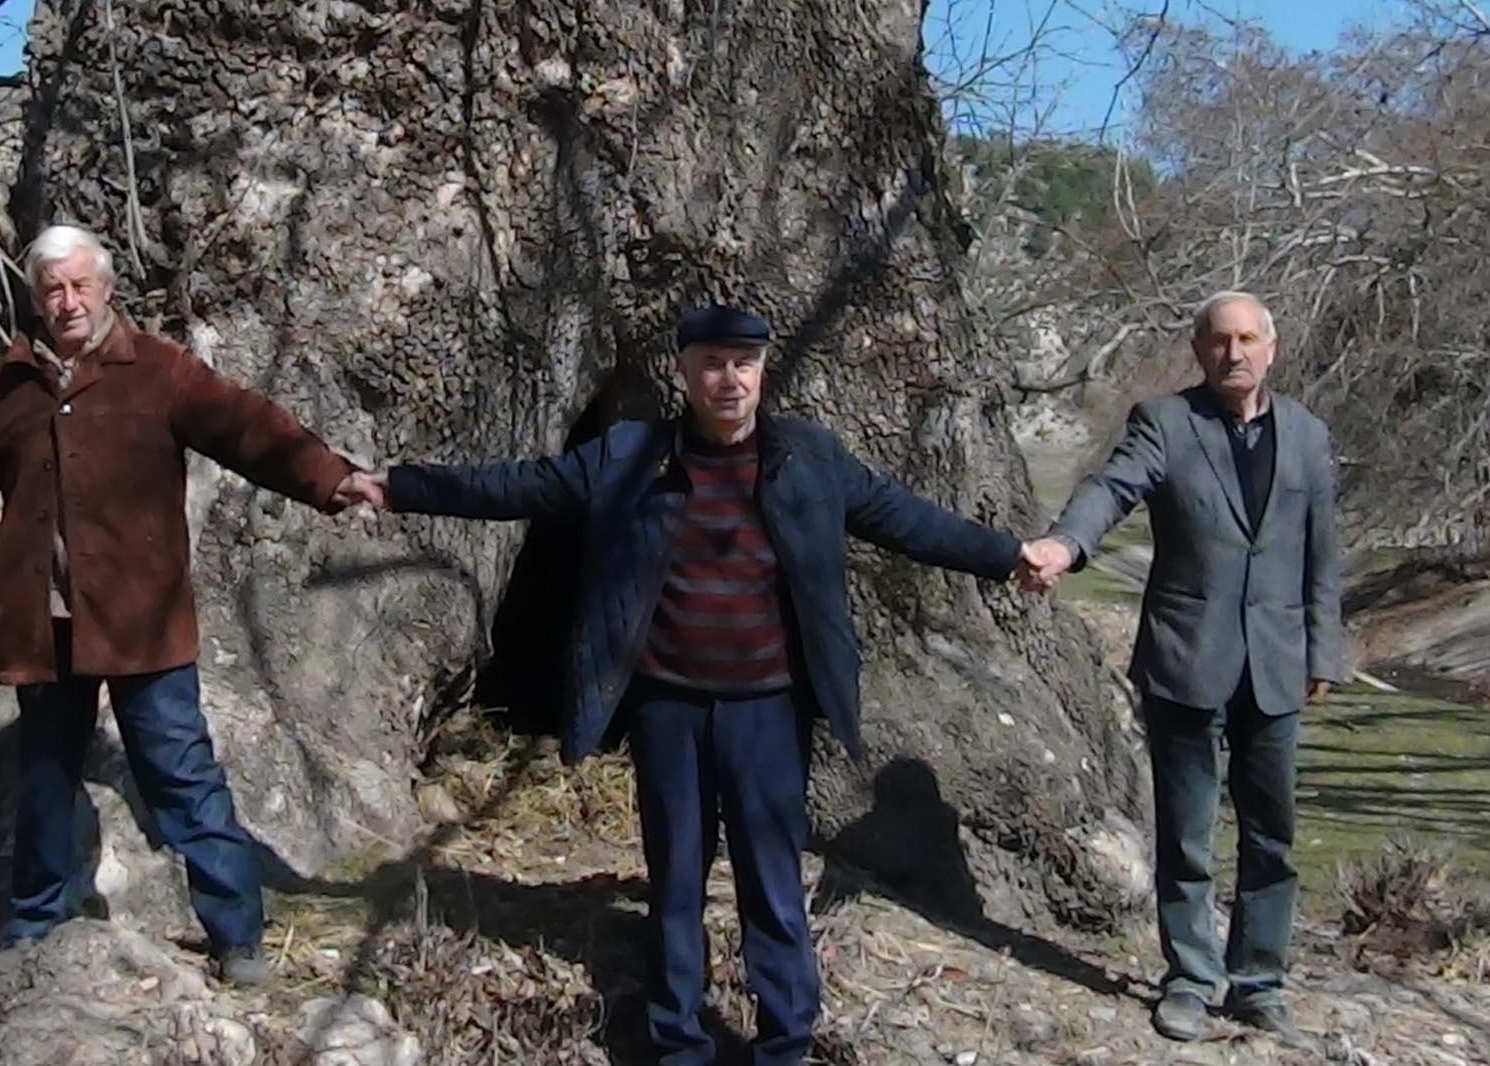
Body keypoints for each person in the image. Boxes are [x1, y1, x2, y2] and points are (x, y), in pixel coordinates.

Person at [337, 304, 1027, 1066]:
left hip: (769, 710)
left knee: (771, 884)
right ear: (684, 371)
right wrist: (397, 486)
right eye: (711, 363)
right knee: (675, 882)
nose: (728, 379)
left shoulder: (809, 458)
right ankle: (677, 1043)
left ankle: (785, 1042)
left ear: (763, 371)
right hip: (668, 708)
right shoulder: (632, 457)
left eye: (743, 363)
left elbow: (908, 520)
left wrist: (1008, 556)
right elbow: (518, 486)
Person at [0, 224, 360, 985]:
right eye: (53, 289)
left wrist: (328, 478)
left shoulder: (160, 371)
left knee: (181, 776)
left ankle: (238, 936)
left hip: (143, 623)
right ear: (38, 300)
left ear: (107, 290)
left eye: (81, 286)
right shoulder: (8, 385)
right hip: (45, 627)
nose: (68, 301)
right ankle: (34, 923)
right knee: (46, 776)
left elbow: (249, 427)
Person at [1017, 291, 1342, 1044]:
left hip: (1277, 666)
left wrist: (1325, 650)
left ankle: (1259, 981)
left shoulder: (1308, 437)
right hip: (1186, 659)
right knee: (1187, 834)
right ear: (1199, 351)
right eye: (1220, 341)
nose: (1235, 354)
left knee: (1272, 836)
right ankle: (1192, 978)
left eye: (1249, 339)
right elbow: (1112, 488)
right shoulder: (1165, 424)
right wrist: (1066, 545)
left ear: (1273, 347)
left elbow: (1323, 554)